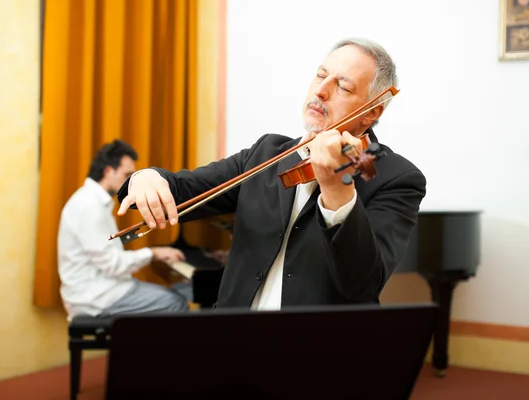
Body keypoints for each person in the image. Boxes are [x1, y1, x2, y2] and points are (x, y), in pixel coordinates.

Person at [116, 38, 427, 311]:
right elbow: (183, 188)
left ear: (372, 112)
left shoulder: (396, 178)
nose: (321, 90)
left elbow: (363, 284)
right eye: (320, 75)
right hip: (234, 343)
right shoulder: (267, 152)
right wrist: (148, 177)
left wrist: (337, 191)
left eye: (342, 86)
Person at [57, 139, 189, 320]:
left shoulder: (93, 201)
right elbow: (112, 264)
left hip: (107, 288)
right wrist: (153, 253)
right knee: (175, 302)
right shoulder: (88, 206)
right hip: (96, 297)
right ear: (109, 171)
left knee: (174, 294)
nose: (130, 183)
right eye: (127, 175)